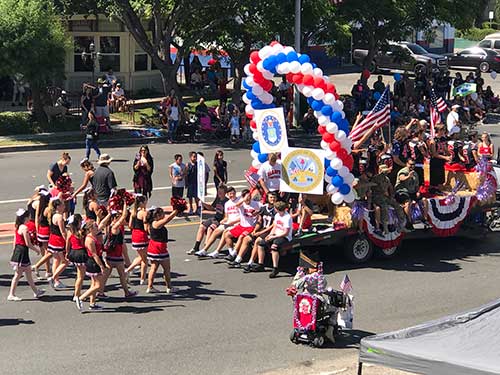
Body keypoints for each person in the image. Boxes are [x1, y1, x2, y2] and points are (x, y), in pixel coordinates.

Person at [102, 202, 138, 298]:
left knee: (106, 275)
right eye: (117, 216)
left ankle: (100, 291)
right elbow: (124, 215)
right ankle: (127, 292)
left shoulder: (108, 226)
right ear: (114, 218)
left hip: (110, 255)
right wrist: (126, 204)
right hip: (116, 255)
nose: (120, 218)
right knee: (122, 275)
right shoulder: (115, 227)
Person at [8, 208, 44, 301]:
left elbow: (15, 241)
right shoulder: (24, 227)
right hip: (22, 251)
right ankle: (11, 294)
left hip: (19, 251)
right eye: (28, 216)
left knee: (28, 273)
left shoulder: (18, 226)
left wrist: (14, 252)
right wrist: (36, 250)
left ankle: (36, 291)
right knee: (18, 275)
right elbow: (28, 243)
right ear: (25, 217)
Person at [195, 186, 240, 257]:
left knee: (213, 229)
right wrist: (224, 221)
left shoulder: (239, 202)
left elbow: (242, 216)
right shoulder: (227, 203)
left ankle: (216, 251)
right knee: (207, 228)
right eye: (230, 194)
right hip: (226, 222)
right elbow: (226, 216)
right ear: (227, 194)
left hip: (235, 223)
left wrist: (226, 222)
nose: (231, 195)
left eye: (233, 193)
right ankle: (203, 249)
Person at [145, 207, 179, 294]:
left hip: (153, 246)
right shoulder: (156, 224)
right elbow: (168, 219)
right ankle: (169, 287)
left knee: (153, 267)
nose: (164, 215)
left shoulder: (151, 223)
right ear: (158, 215)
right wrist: (176, 210)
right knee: (166, 269)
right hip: (160, 248)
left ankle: (150, 287)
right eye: (162, 213)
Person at [222, 189, 261, 262]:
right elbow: (236, 205)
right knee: (227, 235)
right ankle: (231, 252)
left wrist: (257, 212)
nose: (248, 198)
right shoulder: (242, 204)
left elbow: (263, 208)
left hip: (250, 226)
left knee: (241, 236)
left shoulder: (256, 204)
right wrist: (244, 200)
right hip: (241, 226)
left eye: (249, 196)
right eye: (247, 196)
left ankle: (234, 254)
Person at [187, 185, 228, 255]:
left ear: (225, 193)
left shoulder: (227, 202)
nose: (219, 194)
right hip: (215, 218)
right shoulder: (218, 199)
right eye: (218, 192)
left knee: (210, 228)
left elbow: (227, 215)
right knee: (202, 226)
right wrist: (204, 204)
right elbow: (212, 208)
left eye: (221, 192)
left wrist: (222, 222)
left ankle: (205, 248)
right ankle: (196, 247)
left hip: (220, 220)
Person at [256, 201, 293, 278]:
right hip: (276, 234)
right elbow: (275, 226)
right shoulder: (277, 215)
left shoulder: (287, 217)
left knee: (274, 247)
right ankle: (261, 264)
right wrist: (270, 235)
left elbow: (286, 233)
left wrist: (274, 237)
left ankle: (275, 268)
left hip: (284, 236)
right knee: (261, 244)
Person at [79, 220, 109, 311]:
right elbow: (94, 254)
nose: (97, 228)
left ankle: (92, 303)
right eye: (95, 227)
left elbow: (102, 224)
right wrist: (101, 266)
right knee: (98, 286)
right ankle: (81, 297)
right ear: (91, 228)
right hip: (93, 262)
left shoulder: (93, 236)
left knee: (94, 284)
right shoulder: (89, 240)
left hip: (95, 261)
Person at [66, 214, 88, 309]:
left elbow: (68, 243)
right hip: (80, 253)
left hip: (73, 252)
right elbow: (83, 244)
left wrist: (67, 253)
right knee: (80, 276)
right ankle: (77, 294)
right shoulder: (80, 232)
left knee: (79, 274)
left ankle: (77, 292)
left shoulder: (70, 232)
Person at [126, 195, 149, 285]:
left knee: (141, 257)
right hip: (141, 236)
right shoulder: (144, 213)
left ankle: (128, 270)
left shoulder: (133, 212)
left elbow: (130, 226)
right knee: (145, 259)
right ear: (142, 203)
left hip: (134, 235)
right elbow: (145, 227)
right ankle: (142, 278)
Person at [46, 198, 68, 289]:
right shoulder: (59, 217)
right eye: (62, 205)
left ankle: (56, 281)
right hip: (58, 240)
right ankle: (54, 278)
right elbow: (63, 231)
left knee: (56, 260)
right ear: (58, 206)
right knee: (65, 261)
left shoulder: (52, 214)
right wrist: (67, 241)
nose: (64, 206)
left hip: (53, 239)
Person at [428, 125, 450, 190]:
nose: (444, 131)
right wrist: (445, 157)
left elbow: (445, 149)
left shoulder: (443, 139)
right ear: (439, 130)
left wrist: (449, 155)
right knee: (435, 178)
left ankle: (440, 190)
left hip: (441, 160)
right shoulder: (433, 140)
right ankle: (434, 190)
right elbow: (434, 154)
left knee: (441, 177)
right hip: (435, 160)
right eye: (443, 130)